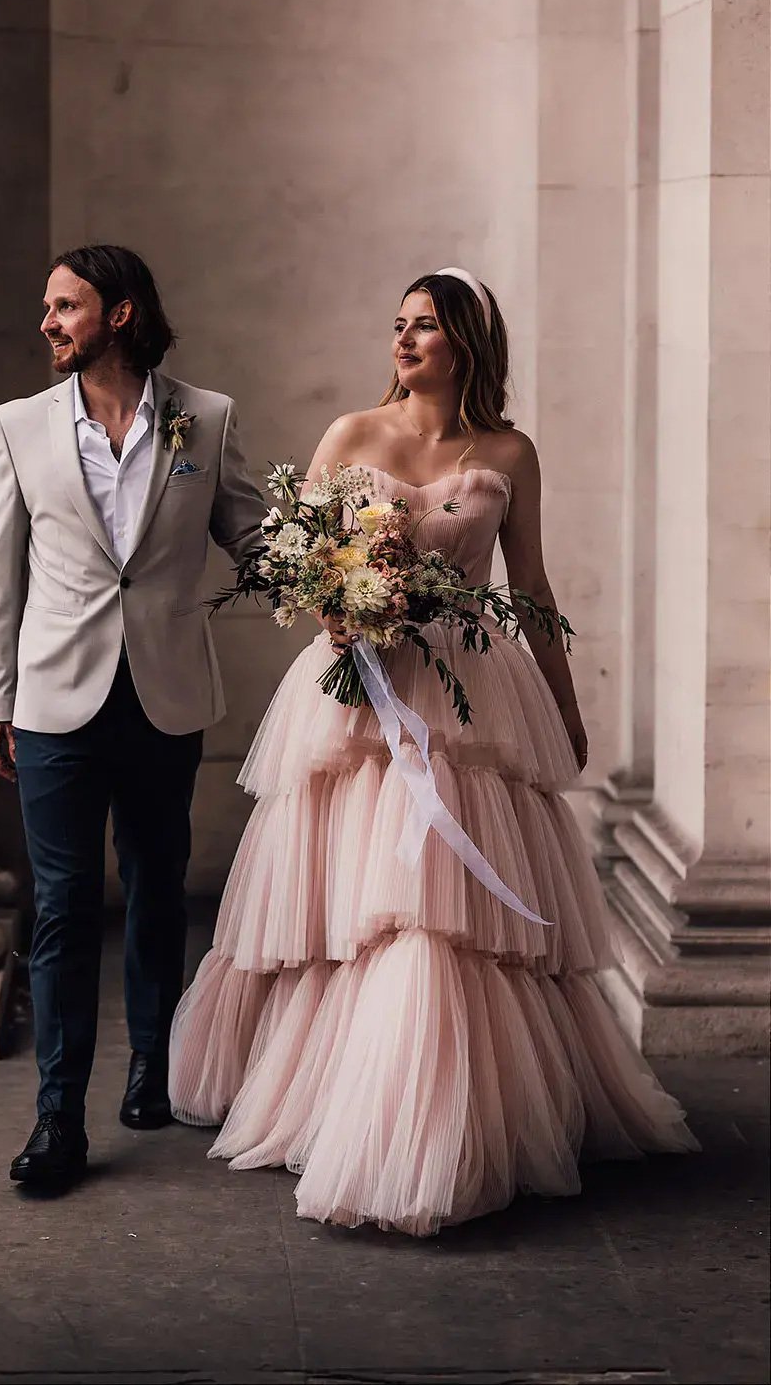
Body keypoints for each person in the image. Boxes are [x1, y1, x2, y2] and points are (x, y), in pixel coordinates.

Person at [169, 267, 697, 1235]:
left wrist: (566, 707)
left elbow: (531, 586)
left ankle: (453, 1122)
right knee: (358, 910)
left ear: (465, 343)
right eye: (397, 324)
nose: (404, 342)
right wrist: (337, 610)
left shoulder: (509, 451)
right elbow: (299, 561)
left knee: (444, 912)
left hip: (469, 695)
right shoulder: (350, 437)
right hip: (363, 696)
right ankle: (347, 1104)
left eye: (425, 327)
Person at [0, 244, 264, 1194]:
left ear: (122, 313)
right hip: (56, 700)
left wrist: (352, 584)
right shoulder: (18, 425)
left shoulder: (205, 418)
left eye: (66, 306)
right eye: (48, 306)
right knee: (60, 909)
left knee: (154, 887)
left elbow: (253, 532)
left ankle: (151, 1064)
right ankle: (57, 1117)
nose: (48, 322)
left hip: (165, 691)